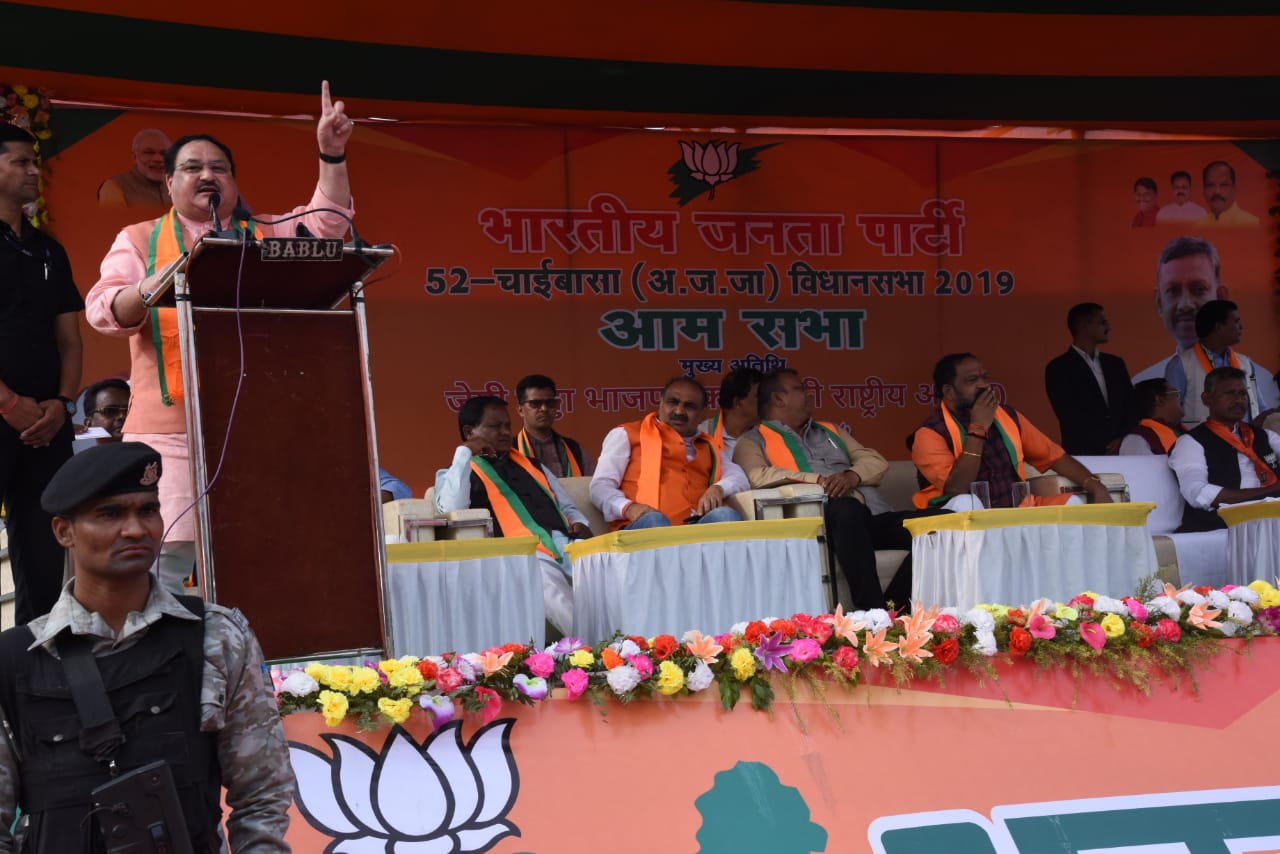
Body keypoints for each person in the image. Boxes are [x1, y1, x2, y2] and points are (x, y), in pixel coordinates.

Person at [85, 82, 355, 595]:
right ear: (168, 184)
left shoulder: (263, 235)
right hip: (170, 429)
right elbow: (103, 309)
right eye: (192, 168)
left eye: (220, 168)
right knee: (166, 555)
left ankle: (247, 660)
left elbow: (328, 227)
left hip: (256, 423)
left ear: (233, 183)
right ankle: (153, 659)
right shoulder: (139, 240)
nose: (208, 176)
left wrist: (332, 154)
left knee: (255, 550)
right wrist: (159, 280)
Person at [0, 442, 293, 851]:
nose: (136, 529)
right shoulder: (13, 660)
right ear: (64, 531)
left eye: (147, 510)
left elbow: (262, 793)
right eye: (110, 514)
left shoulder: (216, 636)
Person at [734, 368, 942, 610]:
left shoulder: (829, 430)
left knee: (942, 525)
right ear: (779, 399)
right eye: (801, 389)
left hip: (871, 519)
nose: (809, 394)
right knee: (846, 508)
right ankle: (872, 612)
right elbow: (759, 476)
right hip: (826, 526)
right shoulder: (752, 440)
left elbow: (876, 462)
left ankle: (895, 608)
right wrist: (821, 481)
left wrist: (851, 477)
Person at [0, 123, 84, 626]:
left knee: (45, 549)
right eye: (21, 162)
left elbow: (70, 339)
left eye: (36, 162)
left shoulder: (49, 248)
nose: (35, 171)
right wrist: (9, 404)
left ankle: (38, 673)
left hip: (47, 425)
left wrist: (63, 404)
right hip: (9, 413)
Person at [435, 395, 593, 633]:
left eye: (508, 426)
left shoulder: (534, 465)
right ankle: (598, 649)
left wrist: (581, 523)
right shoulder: (454, 474)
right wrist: (464, 453)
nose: (505, 432)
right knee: (540, 579)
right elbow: (451, 509)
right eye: (495, 426)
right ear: (469, 432)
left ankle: (638, 643)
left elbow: (568, 507)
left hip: (566, 544)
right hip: (522, 555)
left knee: (611, 574)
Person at [911, 354, 1113, 509]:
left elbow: (1054, 456)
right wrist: (978, 428)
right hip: (952, 516)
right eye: (972, 380)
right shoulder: (929, 433)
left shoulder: (1007, 415)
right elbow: (957, 488)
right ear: (948, 391)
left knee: (1073, 505)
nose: (983, 385)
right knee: (967, 502)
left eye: (984, 378)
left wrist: (1095, 485)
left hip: (1013, 507)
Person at [590, 377, 748, 530]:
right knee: (655, 520)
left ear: (702, 414)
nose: (679, 411)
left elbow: (738, 477)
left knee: (726, 516)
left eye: (690, 406)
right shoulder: (626, 434)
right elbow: (600, 487)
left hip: (694, 528)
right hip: (644, 526)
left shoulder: (707, 445)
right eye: (673, 402)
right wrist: (629, 508)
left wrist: (718, 489)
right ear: (661, 404)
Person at [1169, 367, 1280, 532]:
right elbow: (1198, 493)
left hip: (1270, 517)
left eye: (1243, 394)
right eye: (1229, 393)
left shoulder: (1265, 436)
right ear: (1206, 399)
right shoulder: (1191, 442)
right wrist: (1268, 492)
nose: (1239, 400)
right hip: (1223, 522)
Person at [1132, 236, 1230, 384]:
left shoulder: (1260, 382)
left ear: (1221, 297)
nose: (1185, 305)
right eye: (1173, 291)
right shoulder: (1141, 388)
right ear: (1159, 303)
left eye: (1198, 289)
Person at [1166, 299, 1278, 428]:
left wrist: (1270, 415)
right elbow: (1170, 413)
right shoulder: (1181, 364)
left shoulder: (1245, 363)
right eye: (1236, 321)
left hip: (1245, 442)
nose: (1241, 326)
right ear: (1218, 327)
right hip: (1202, 443)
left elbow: (1258, 406)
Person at [1043, 302, 1135, 455]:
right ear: (1083, 326)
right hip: (1084, 454)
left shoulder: (1115, 364)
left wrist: (1123, 439)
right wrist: (1104, 444)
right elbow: (1069, 414)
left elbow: (1130, 405)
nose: (1108, 327)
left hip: (1122, 451)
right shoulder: (1058, 368)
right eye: (1102, 322)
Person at [512, 374, 594, 478]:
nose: (544, 409)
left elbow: (592, 486)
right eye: (535, 403)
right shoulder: (510, 451)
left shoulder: (574, 449)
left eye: (550, 402)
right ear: (520, 410)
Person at [96, 128, 171, 207]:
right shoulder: (114, 187)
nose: (158, 159)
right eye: (149, 152)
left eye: (164, 153)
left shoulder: (175, 186)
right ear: (135, 157)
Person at [698, 366, 762, 457]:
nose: (765, 401)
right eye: (758, 396)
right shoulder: (701, 435)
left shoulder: (771, 437)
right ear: (737, 402)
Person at [1119, 379, 1186, 455]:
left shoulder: (1184, 431)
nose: (1182, 400)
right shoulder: (1136, 439)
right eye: (1176, 394)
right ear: (1160, 400)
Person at [1197, 160, 1259, 226]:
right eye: (1210, 185)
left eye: (1224, 185)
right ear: (1203, 189)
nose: (1217, 191)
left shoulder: (1251, 223)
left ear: (1234, 188)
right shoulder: (1200, 225)